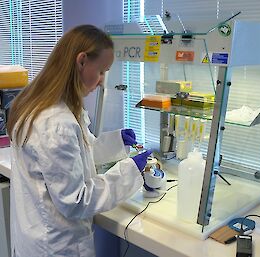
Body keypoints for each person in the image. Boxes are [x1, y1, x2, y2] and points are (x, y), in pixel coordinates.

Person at [6, 24, 152, 257]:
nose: (103, 81)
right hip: (55, 245)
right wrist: (129, 172)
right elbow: (76, 201)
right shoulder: (56, 122)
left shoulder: (41, 104)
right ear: (82, 61)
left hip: (35, 237)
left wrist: (116, 144)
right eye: (102, 71)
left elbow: (74, 156)